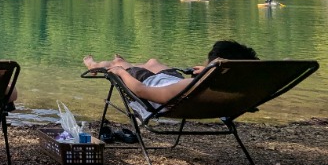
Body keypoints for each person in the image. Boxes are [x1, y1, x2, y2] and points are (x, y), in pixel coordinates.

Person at [83, 40, 258, 117]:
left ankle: (96, 65)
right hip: (175, 82)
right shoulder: (241, 88)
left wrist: (120, 72)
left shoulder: (188, 86)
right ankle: (123, 62)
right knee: (152, 62)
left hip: (154, 85)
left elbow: (140, 90)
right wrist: (207, 72)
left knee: (117, 66)